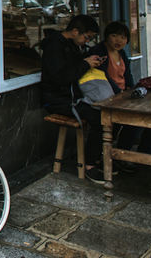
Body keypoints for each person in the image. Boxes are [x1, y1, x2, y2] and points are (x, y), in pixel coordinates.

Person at [85, 21, 151, 170]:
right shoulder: (98, 51)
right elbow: (102, 77)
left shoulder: (121, 53)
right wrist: (121, 94)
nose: (119, 40)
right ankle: (121, 155)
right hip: (106, 97)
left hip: (122, 95)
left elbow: (127, 74)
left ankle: (145, 154)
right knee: (136, 120)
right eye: (114, 36)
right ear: (107, 36)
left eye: (123, 37)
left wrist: (131, 89)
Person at [39, 14, 106, 183]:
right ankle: (90, 165)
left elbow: (74, 69)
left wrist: (88, 61)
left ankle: (97, 157)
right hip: (56, 99)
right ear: (75, 31)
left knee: (105, 111)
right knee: (98, 118)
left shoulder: (72, 46)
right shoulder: (54, 47)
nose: (87, 41)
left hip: (72, 96)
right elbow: (59, 77)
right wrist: (85, 64)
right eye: (87, 37)